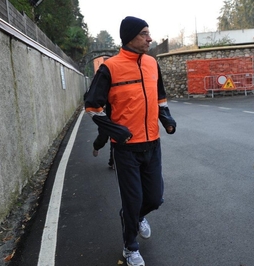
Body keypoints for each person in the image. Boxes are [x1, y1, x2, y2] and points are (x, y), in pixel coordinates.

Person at [84, 16, 176, 266]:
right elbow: (92, 106)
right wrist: (116, 130)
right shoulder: (110, 68)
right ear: (130, 37)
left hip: (152, 144)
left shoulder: (152, 64)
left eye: (149, 33)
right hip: (126, 149)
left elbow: (160, 98)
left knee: (155, 198)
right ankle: (130, 247)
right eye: (144, 34)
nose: (150, 38)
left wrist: (166, 119)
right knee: (133, 199)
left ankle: (134, 217)